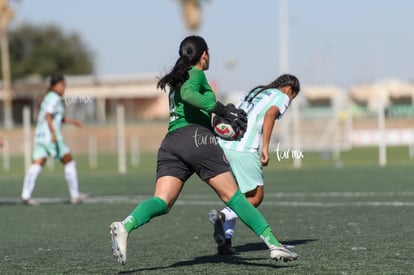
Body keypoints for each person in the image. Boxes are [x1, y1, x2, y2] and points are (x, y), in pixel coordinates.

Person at [109, 35, 298, 265]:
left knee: (162, 201)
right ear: (204, 55)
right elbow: (190, 95)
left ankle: (125, 225)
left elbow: (189, 105)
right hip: (197, 139)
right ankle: (274, 244)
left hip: (171, 142)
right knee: (235, 197)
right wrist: (222, 110)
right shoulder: (196, 73)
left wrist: (218, 123)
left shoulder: (178, 76)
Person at [208, 74, 300, 255]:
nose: (291, 100)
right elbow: (270, 115)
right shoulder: (282, 96)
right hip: (244, 149)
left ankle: (225, 242)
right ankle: (222, 216)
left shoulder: (256, 91)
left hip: (224, 144)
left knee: (238, 194)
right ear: (290, 90)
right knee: (256, 197)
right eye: (293, 97)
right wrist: (265, 147)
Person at [21, 74, 87, 206]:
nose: (64, 88)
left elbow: (57, 117)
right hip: (50, 136)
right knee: (69, 161)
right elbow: (48, 116)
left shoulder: (48, 98)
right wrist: (53, 133)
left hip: (40, 136)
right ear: (54, 86)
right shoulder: (54, 98)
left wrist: (73, 121)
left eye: (64, 85)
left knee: (38, 163)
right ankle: (75, 195)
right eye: (61, 85)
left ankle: (25, 195)